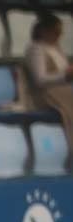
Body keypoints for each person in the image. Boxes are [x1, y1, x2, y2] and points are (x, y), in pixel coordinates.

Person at [25, 11, 73, 152]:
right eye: (56, 31)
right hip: (46, 94)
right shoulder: (36, 49)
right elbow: (40, 79)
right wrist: (65, 77)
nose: (59, 35)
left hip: (63, 89)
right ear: (44, 31)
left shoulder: (58, 49)